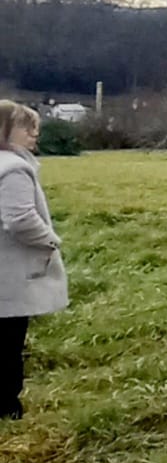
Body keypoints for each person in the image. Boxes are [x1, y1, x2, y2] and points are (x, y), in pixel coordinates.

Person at [0, 100, 69, 419]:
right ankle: (6, 406)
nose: (34, 134)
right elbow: (20, 219)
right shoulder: (13, 168)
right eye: (26, 127)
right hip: (9, 275)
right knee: (8, 343)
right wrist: (51, 241)